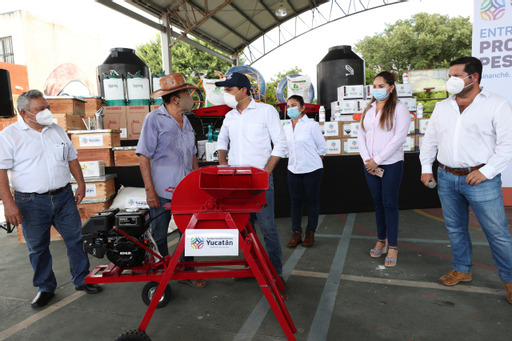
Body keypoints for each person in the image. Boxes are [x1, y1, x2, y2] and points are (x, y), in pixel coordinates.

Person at [419, 56, 512, 304]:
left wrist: (486, 171)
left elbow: (507, 144)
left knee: (497, 233)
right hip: (446, 177)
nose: (451, 80)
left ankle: (510, 280)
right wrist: (426, 167)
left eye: (457, 76)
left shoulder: (497, 105)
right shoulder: (442, 107)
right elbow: (429, 140)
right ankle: (462, 269)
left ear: (474, 77)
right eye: (449, 76)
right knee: (455, 228)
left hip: (481, 180)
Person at [0, 90, 101, 308]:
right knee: (38, 247)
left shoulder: (57, 130)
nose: (46, 112)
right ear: (24, 112)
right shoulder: (10, 136)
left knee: (75, 239)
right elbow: (1, 171)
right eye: (40, 109)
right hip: (30, 202)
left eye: (47, 107)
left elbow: (72, 158)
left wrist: (81, 183)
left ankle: (82, 279)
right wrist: (9, 204)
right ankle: (45, 287)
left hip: (63, 197)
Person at [215, 72, 287, 281]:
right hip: (236, 181)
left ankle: (276, 273)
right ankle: (251, 267)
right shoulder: (229, 116)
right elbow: (222, 141)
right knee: (243, 227)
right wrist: (223, 164)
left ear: (243, 90)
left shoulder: (266, 111)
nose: (225, 94)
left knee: (267, 228)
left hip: (259, 180)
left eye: (229, 90)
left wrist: (265, 173)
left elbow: (280, 144)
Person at [136, 73, 206, 288]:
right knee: (159, 235)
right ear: (175, 98)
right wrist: (150, 191)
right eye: (186, 92)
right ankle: (162, 275)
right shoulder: (154, 119)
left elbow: (193, 155)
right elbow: (143, 156)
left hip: (186, 190)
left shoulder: (186, 120)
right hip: (162, 189)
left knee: (191, 233)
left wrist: (197, 185)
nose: (189, 96)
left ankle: (186, 271)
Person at [357, 71, 410, 267]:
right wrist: (367, 160)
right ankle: (381, 239)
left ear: (391, 87)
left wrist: (377, 160)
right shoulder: (369, 108)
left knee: (389, 203)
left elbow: (399, 138)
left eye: (381, 86)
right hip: (369, 164)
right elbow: (360, 134)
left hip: (391, 163)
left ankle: (393, 246)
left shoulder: (399, 108)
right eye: (375, 86)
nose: (377, 90)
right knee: (377, 203)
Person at [283, 95, 326, 248]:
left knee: (312, 202)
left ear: (302, 108)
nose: (290, 108)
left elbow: (322, 148)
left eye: (293, 105)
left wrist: (312, 161)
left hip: (312, 170)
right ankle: (296, 233)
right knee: (295, 202)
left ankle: (310, 232)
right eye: (288, 106)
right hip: (293, 169)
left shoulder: (311, 125)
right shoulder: (286, 127)